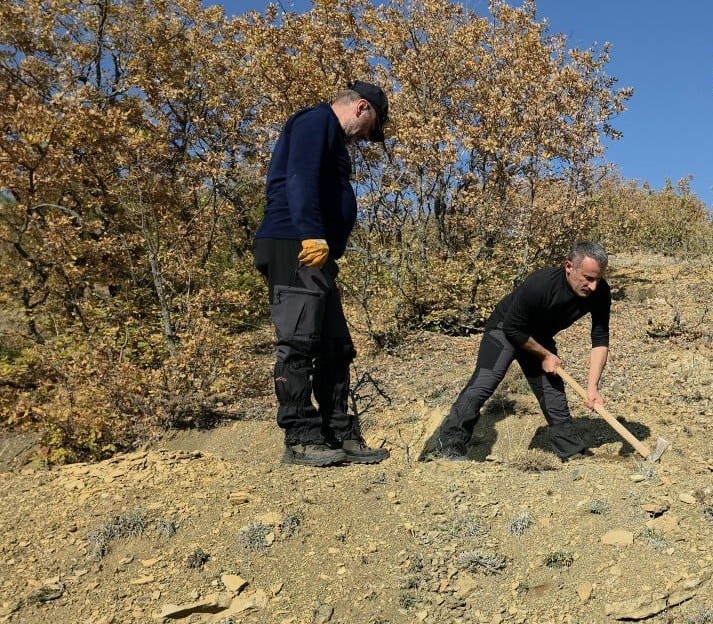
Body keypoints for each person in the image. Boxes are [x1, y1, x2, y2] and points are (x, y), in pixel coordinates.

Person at [253, 81, 392, 467]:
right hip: (294, 242)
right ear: (361, 107)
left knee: (336, 345)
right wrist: (312, 233)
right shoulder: (315, 121)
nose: (366, 138)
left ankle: (338, 433)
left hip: (316, 252)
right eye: (370, 128)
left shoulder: (329, 134)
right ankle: (300, 437)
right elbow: (299, 176)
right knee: (299, 342)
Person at [423, 242, 612, 462]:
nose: (594, 286)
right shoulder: (540, 285)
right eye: (588, 278)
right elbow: (513, 328)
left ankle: (571, 451)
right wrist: (545, 355)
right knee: (485, 381)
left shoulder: (600, 293)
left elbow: (600, 339)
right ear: (569, 266)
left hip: (538, 336)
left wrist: (592, 387)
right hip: (505, 328)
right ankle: (448, 447)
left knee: (553, 393)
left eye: (598, 278)